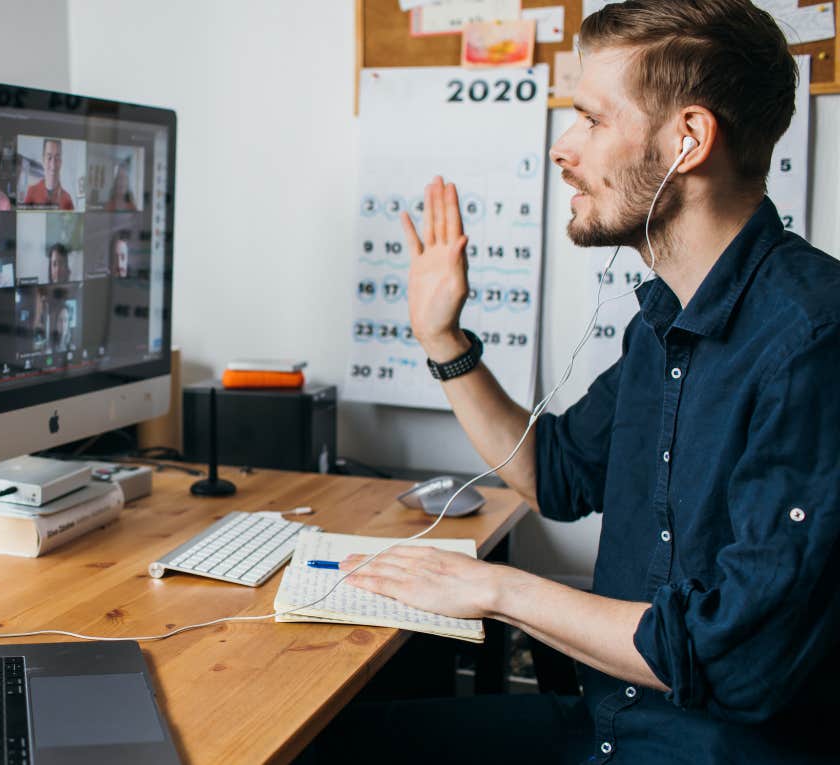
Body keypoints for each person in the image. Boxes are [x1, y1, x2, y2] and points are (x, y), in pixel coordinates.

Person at [315, 2, 839, 762]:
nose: (563, 148)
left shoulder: (812, 340)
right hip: (607, 725)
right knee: (324, 744)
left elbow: (737, 661)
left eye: (591, 119)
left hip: (709, 748)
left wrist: (500, 591)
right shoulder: (662, 320)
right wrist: (443, 338)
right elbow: (553, 474)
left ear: (688, 140)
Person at [22, 138, 75, 209]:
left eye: (57, 158)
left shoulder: (67, 199)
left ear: (61, 162)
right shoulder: (31, 192)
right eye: (49, 158)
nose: (53, 166)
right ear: (43, 160)